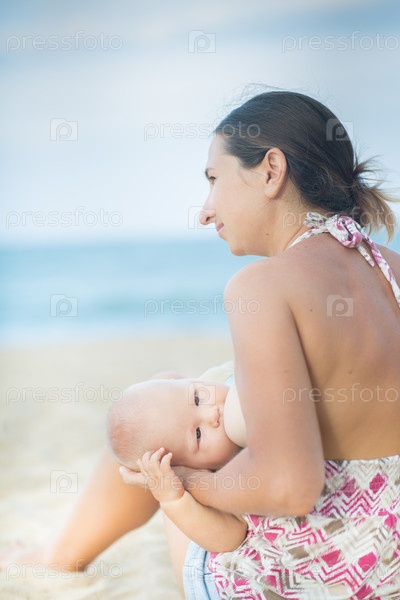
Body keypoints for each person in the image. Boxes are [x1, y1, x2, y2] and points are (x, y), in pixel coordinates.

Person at [3, 90, 400, 599]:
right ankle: (60, 554)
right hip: (387, 567)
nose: (205, 212)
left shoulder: (261, 287)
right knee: (188, 395)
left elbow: (290, 486)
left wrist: (176, 482)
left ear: (271, 171)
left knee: (162, 425)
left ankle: (58, 559)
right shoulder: (390, 269)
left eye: (213, 179)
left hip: (315, 580)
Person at [106, 374, 248, 552]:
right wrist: (174, 499)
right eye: (198, 434)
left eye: (197, 398)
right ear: (188, 468)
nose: (213, 413)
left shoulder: (237, 384)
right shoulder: (217, 482)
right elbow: (232, 537)